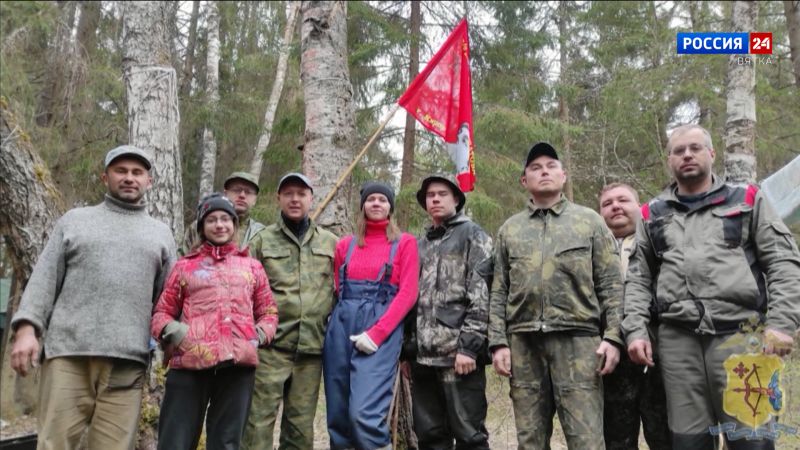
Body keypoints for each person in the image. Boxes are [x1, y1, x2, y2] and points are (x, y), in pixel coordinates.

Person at [622, 124, 800, 450]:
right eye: (679, 151)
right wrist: (635, 330)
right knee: (688, 441)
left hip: (743, 337)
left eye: (695, 148)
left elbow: (783, 262)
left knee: (752, 439)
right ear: (669, 160)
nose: (687, 155)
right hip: (678, 344)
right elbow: (638, 280)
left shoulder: (747, 198)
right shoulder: (651, 213)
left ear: (712, 153)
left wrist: (782, 323)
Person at [9, 145, 177, 450]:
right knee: (54, 444)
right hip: (68, 355)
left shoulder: (161, 234)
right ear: (105, 177)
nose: (129, 178)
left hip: (127, 363)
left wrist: (172, 343)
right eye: (120, 171)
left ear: (149, 181)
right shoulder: (75, 221)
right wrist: (26, 330)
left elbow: (168, 300)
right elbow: (44, 279)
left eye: (137, 172)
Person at [489, 142, 623, 450]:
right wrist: (497, 342)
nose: (544, 172)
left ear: (563, 176)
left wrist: (614, 336)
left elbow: (611, 284)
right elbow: (499, 290)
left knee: (586, 440)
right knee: (530, 441)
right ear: (524, 181)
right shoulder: (510, 230)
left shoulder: (589, 221)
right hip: (524, 345)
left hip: (579, 343)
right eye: (535, 168)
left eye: (551, 166)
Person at [152, 193, 278, 450]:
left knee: (226, 442)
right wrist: (175, 332)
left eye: (225, 219)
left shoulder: (252, 267)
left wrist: (258, 335)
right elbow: (161, 313)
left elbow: (269, 312)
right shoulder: (184, 267)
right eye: (211, 220)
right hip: (189, 364)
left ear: (234, 224)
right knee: (175, 441)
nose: (219, 225)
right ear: (202, 227)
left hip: (237, 367)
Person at [242, 173, 338, 450]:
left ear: (311, 198)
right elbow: (243, 291)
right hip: (269, 351)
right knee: (257, 427)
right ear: (278, 198)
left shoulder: (331, 243)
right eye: (288, 194)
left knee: (300, 431)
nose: (295, 199)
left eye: (301, 194)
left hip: (310, 353)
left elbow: (341, 290)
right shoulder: (261, 242)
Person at [323, 181, 419, 450]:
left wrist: (377, 334)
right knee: (338, 417)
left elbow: (408, 293)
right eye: (371, 199)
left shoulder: (405, 243)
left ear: (390, 207)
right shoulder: (345, 246)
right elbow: (338, 287)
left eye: (383, 199)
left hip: (381, 329)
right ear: (363, 205)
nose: (376, 203)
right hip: (341, 328)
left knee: (364, 415)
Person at [409, 174, 493, 449]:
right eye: (430, 195)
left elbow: (482, 295)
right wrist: (408, 351)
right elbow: (409, 300)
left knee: (470, 436)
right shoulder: (420, 244)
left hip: (459, 358)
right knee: (430, 437)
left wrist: (469, 347)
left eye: (442, 194)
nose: (435, 199)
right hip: (423, 360)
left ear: (456, 199)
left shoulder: (473, 235)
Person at [598, 183, 671, 450]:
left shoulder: (660, 240)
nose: (615, 206)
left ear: (639, 207)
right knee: (617, 439)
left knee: (665, 435)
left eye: (623, 200)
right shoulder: (592, 248)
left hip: (659, 351)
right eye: (607, 204)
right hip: (610, 358)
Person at [183, 171, 266, 253]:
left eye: (248, 192)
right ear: (225, 193)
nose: (242, 195)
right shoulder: (198, 227)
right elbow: (183, 257)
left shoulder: (261, 232)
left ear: (255, 200)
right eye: (237, 190)